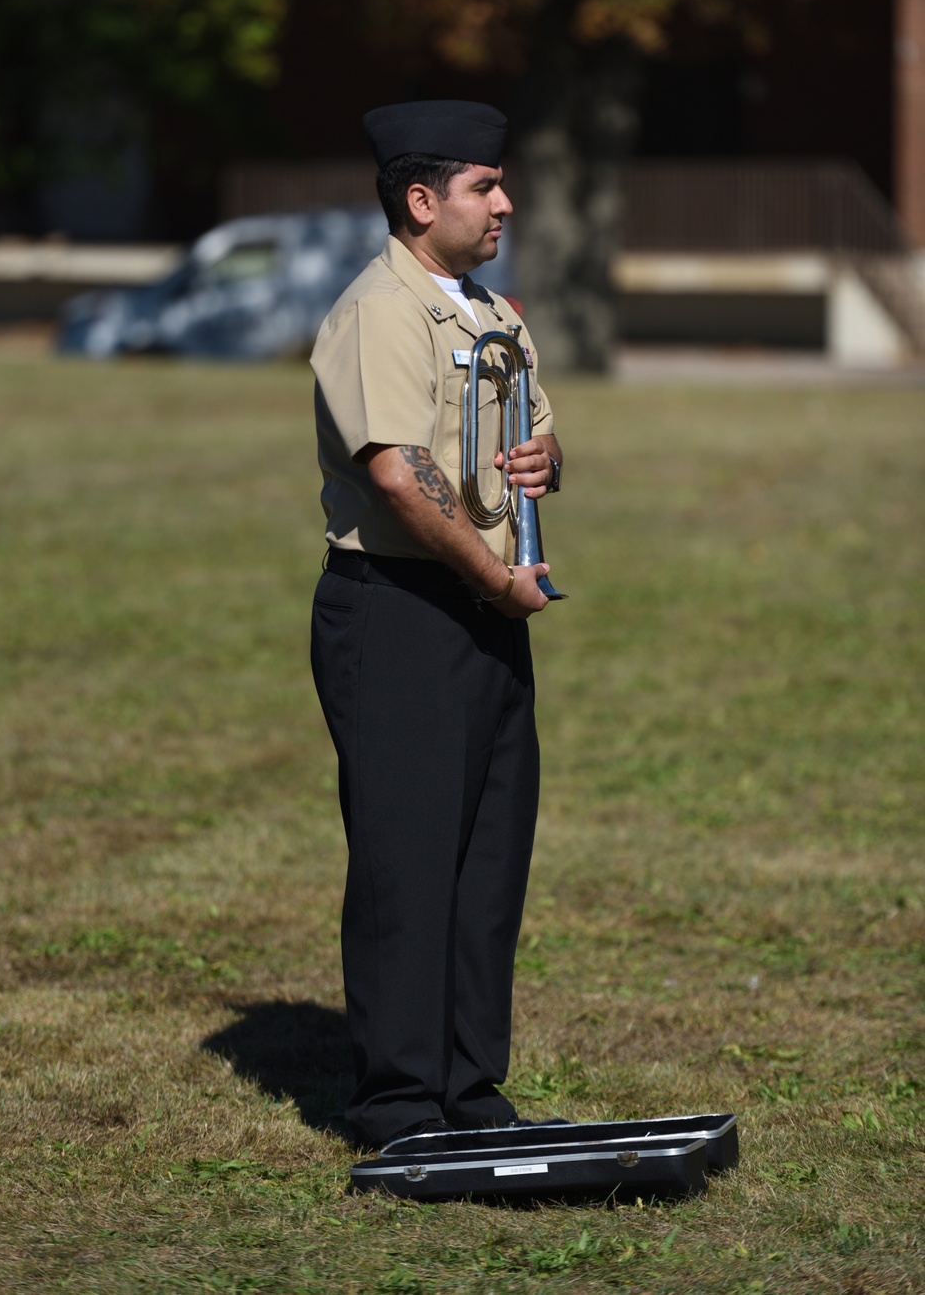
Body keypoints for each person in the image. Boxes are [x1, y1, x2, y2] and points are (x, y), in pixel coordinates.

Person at [309, 99, 563, 1151]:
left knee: (486, 856)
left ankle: (469, 1087)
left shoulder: (489, 311)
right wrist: (498, 587)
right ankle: (400, 1103)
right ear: (422, 201)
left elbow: (533, 434)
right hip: (402, 608)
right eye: (482, 185)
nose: (505, 201)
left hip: (486, 610)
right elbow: (400, 482)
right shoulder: (382, 310)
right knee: (409, 860)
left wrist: (550, 465)